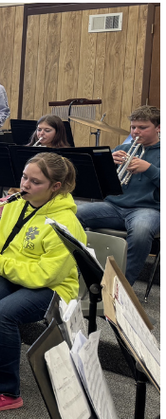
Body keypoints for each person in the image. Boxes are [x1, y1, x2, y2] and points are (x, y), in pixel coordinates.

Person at [0, 152, 86, 412]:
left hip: (53, 287)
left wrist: (0, 264)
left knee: (4, 313)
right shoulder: (16, 204)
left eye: (35, 182)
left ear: (56, 187)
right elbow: (7, 247)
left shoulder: (65, 223)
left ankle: (6, 390)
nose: (25, 185)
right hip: (14, 275)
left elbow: (47, 274)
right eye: (24, 177)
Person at [75, 105, 160, 286]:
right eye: (133, 127)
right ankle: (80, 273)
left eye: (142, 127)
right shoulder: (123, 148)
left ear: (158, 128)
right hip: (113, 207)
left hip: (149, 209)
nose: (136, 132)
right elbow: (98, 183)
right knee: (73, 215)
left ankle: (120, 288)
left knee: (141, 231)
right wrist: (107, 163)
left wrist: (150, 169)